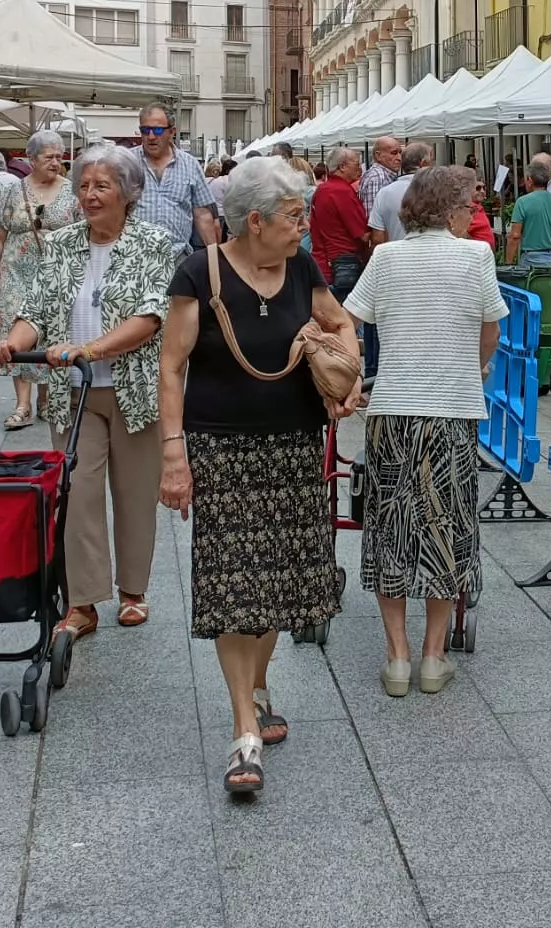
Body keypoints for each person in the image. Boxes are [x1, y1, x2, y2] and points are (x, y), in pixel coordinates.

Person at [157, 157, 359, 796]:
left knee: (275, 585)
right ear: (254, 221)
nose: (304, 226)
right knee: (231, 588)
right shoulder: (200, 273)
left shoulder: (301, 267)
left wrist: (344, 370)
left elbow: (342, 322)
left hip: (295, 446)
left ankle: (260, 683)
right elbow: (172, 366)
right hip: (222, 449)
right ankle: (244, 729)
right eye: (294, 216)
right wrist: (172, 452)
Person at [0, 143, 181, 637]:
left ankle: (133, 591)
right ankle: (84, 601)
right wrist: (13, 343)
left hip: (134, 389)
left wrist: (89, 349)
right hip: (72, 391)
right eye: (84, 186)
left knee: (135, 494)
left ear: (128, 192)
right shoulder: (63, 243)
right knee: (78, 491)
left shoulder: (155, 243)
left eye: (101, 186)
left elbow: (152, 317)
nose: (90, 195)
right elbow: (36, 310)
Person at [343, 166, 506, 697]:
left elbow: (352, 319)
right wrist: (475, 368)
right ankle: (434, 658)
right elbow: (490, 329)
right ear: (452, 211)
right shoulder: (475, 256)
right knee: (445, 526)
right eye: (468, 207)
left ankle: (397, 657)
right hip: (453, 410)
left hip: (392, 409)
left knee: (391, 525)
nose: (472, 215)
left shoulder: (386, 257)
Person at [0, 129, 78, 431]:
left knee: (51, 334)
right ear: (31, 159)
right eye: (48, 157)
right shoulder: (14, 190)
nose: (56, 162)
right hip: (17, 275)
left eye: (59, 156)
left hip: (56, 276)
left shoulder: (72, 190)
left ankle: (46, 398)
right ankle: (22, 404)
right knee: (16, 335)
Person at [134, 105, 218, 249]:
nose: (151, 136)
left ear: (172, 132)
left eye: (158, 130)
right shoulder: (127, 162)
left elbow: (203, 215)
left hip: (178, 257)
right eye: (145, 130)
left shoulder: (190, 164)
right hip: (136, 258)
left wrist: (214, 259)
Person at [308, 146, 370, 300]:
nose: (360, 168)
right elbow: (362, 235)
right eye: (356, 164)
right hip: (343, 265)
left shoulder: (322, 190)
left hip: (325, 263)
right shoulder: (341, 192)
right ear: (342, 166)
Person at [507, 159, 551, 268]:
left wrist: (508, 262)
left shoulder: (522, 202)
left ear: (530, 180)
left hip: (531, 260)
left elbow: (515, 236)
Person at [371, 141, 432, 242]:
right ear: (423, 164)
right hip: (432, 253)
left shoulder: (384, 193)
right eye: (431, 162)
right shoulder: (437, 190)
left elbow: (378, 238)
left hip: (395, 254)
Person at [359, 135, 402, 216]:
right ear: (378, 156)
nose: (399, 158)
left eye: (400, 153)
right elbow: (372, 216)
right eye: (394, 153)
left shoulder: (384, 175)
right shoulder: (377, 177)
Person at [466, 175, 497, 249]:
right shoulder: (467, 209)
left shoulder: (478, 207)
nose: (482, 191)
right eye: (478, 188)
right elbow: (459, 232)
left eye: (484, 188)